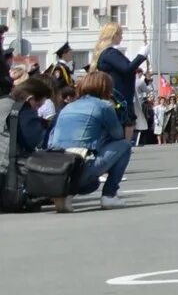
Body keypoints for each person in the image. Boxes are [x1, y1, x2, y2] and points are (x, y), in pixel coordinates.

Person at [47, 70, 132, 211]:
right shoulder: (104, 106)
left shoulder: (68, 107)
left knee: (92, 183)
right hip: (80, 167)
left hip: (57, 168)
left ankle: (66, 193)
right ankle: (109, 195)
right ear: (106, 88)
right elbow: (117, 135)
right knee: (125, 146)